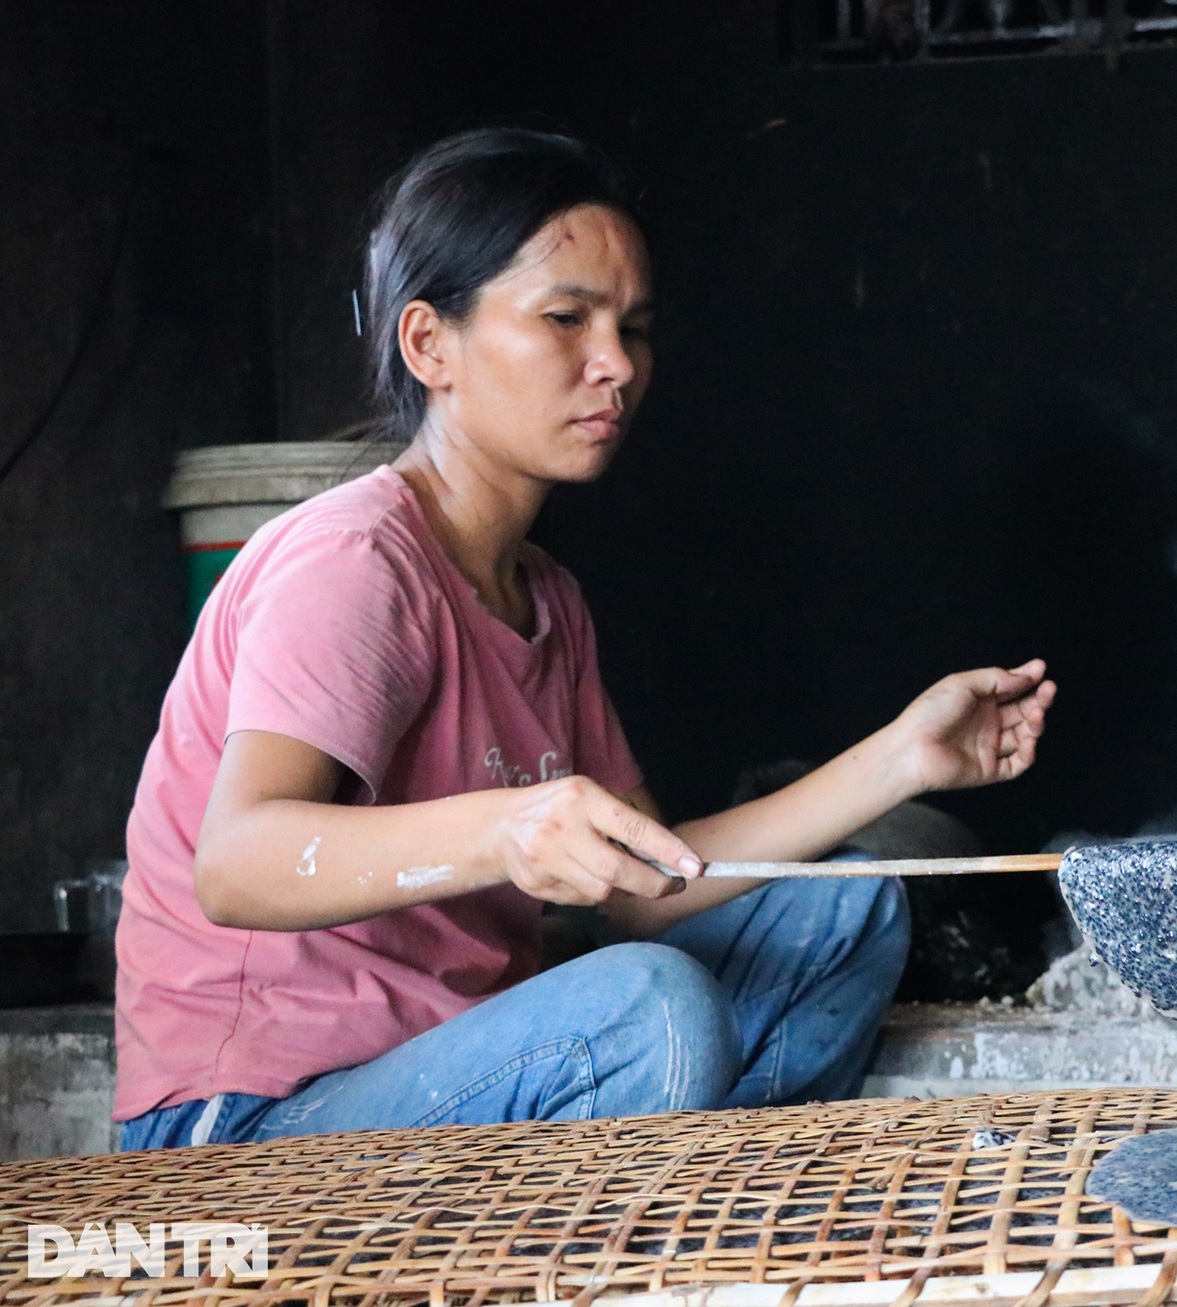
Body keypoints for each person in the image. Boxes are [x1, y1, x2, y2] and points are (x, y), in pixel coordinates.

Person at [112, 128, 1056, 1150]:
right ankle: (672, 1216)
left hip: (452, 1085)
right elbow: (237, 862)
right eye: (566, 318)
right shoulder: (356, 562)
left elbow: (657, 887)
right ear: (430, 344)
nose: (615, 365)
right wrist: (504, 828)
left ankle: (679, 1211)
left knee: (847, 916)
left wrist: (902, 756)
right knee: (646, 1008)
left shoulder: (545, 596)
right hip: (250, 1126)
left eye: (634, 328)